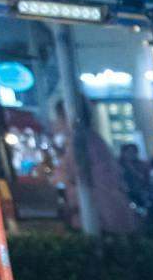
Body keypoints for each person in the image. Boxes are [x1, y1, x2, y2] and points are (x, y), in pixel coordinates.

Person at [52, 101, 138, 235]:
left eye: (58, 118)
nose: (56, 124)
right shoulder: (92, 140)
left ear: (67, 119)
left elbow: (72, 180)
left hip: (98, 216)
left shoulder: (80, 144)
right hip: (111, 212)